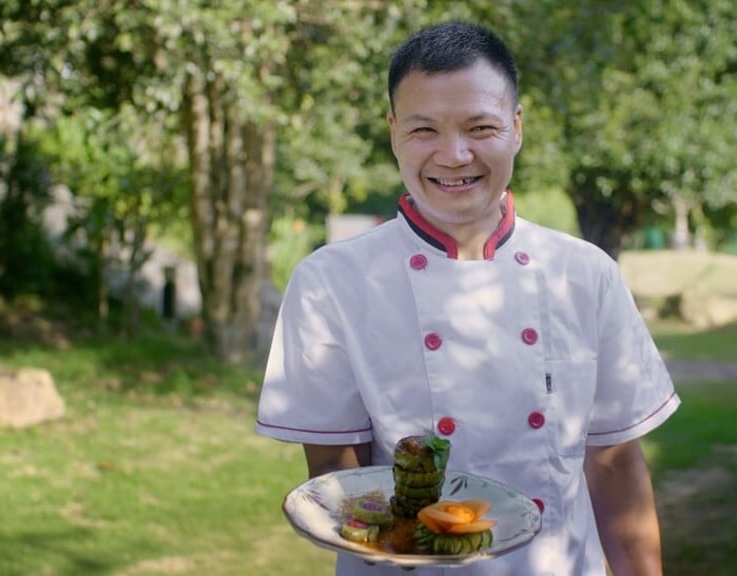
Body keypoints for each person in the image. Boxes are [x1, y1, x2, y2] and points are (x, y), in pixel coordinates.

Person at [256, 20, 680, 576]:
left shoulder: (585, 274)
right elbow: (343, 483)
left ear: (517, 128)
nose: (454, 156)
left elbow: (616, 464)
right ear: (393, 132)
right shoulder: (331, 282)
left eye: (480, 127)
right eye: (423, 130)